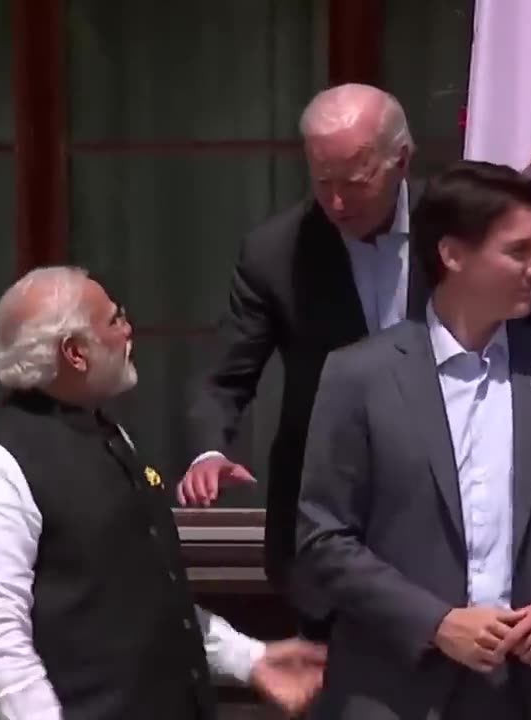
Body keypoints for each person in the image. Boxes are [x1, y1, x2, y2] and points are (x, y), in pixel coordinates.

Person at [296, 161, 531, 719]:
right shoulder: (359, 376)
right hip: (397, 691)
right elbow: (324, 538)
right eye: (518, 252)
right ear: (452, 255)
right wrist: (437, 623)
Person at [0, 266, 326, 720]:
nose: (128, 330)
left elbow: (144, 601)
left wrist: (250, 659)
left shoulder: (111, 437)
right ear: (74, 352)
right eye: (113, 320)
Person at [177, 83, 428, 639]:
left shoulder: (456, 231)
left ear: (402, 160)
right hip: (327, 531)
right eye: (322, 182)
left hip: (446, 527)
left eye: (354, 183)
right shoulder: (277, 252)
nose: (336, 203)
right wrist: (209, 450)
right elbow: (224, 374)